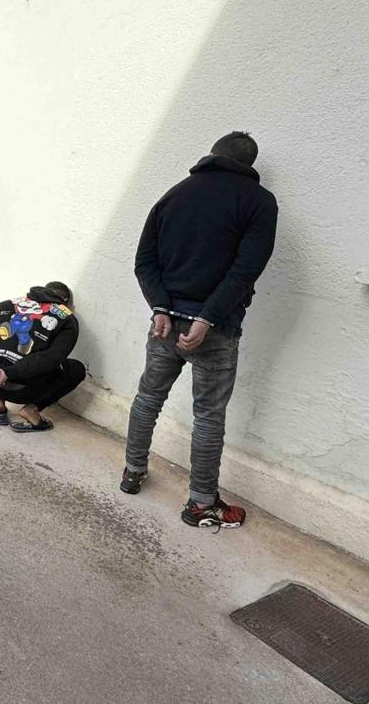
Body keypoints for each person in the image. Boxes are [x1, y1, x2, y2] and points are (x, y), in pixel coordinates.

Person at [122, 131, 278, 530]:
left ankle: (132, 471)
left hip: (164, 325)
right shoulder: (259, 202)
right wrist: (208, 318)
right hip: (216, 329)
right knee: (208, 416)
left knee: (147, 399)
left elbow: (144, 261)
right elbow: (246, 269)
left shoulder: (174, 194)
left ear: (212, 155)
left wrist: (159, 307)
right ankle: (201, 504)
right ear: (250, 165)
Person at [0, 282, 86, 432]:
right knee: (75, 369)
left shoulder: (5, 304)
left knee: (4, 348)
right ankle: (32, 410)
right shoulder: (68, 319)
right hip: (23, 390)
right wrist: (9, 373)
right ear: (68, 305)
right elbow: (52, 358)